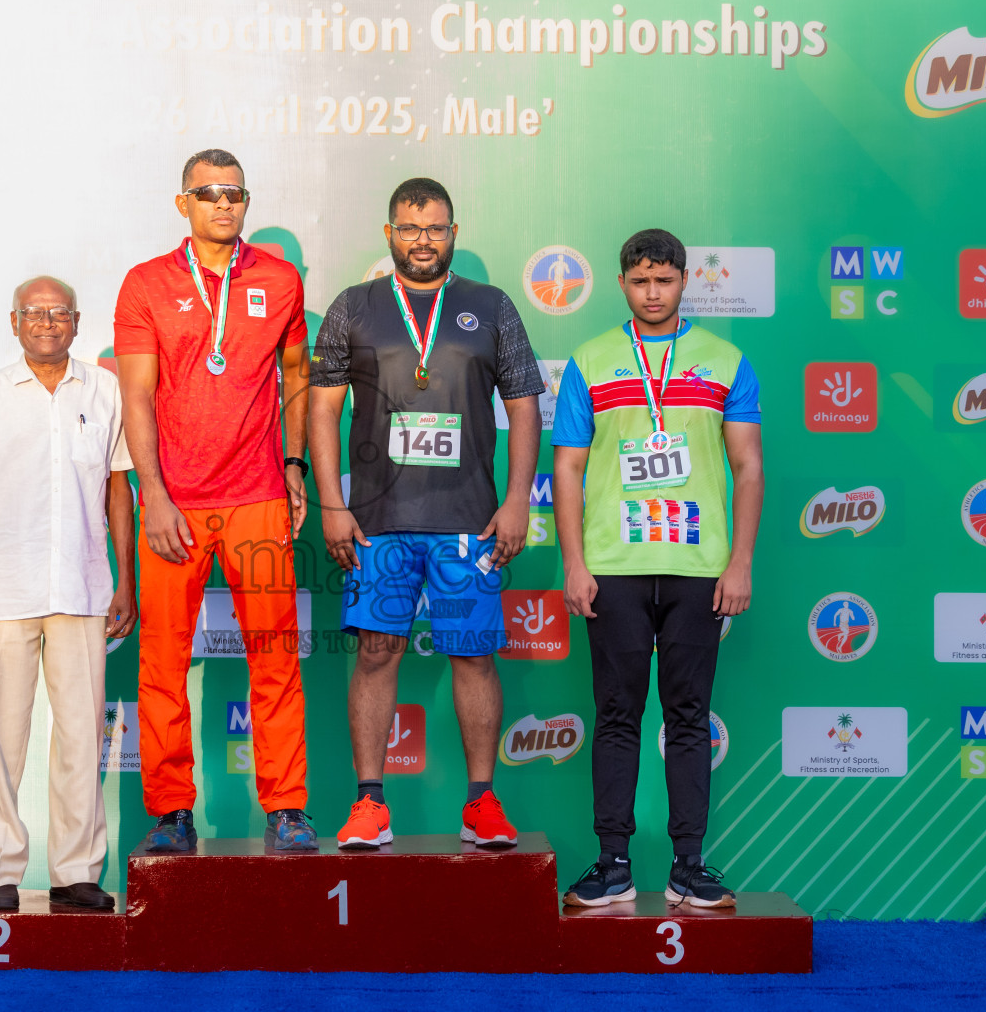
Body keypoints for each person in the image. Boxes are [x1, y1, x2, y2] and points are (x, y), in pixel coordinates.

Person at [309, 177, 544, 849]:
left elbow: (524, 406)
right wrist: (331, 501)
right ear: (389, 235)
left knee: (472, 658)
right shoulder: (352, 308)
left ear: (454, 233)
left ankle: (481, 804)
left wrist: (518, 499)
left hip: (468, 524)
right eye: (410, 229)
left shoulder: (490, 306)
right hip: (377, 524)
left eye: (435, 229)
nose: (423, 241)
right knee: (377, 654)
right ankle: (368, 806)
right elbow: (321, 410)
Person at [114, 148, 317, 852]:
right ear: (184, 205)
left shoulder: (281, 280)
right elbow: (136, 395)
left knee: (275, 657)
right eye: (208, 193)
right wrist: (155, 495)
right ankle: (172, 812)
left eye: (234, 193)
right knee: (163, 664)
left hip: (259, 497)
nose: (223, 204)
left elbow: (296, 376)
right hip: (176, 505)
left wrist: (293, 462)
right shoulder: (145, 284)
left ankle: (287, 807)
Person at [552, 229, 762, 908]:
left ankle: (689, 868)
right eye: (640, 282)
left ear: (683, 282)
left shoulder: (725, 361)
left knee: (689, 716)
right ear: (622, 284)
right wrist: (575, 562)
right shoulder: (592, 360)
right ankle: (612, 862)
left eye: (664, 281)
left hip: (698, 567)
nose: (652, 293)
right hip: (612, 566)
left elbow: (748, 465)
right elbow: (570, 466)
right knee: (616, 715)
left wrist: (740, 563)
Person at [0, 275, 137, 912]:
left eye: (59, 313)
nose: (47, 323)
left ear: (78, 322)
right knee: (0, 738)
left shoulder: (105, 390)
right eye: (34, 313)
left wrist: (125, 580)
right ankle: (1, 870)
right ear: (14, 321)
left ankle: (76, 872)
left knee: (82, 735)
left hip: (84, 586)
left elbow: (118, 491)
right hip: (2, 591)